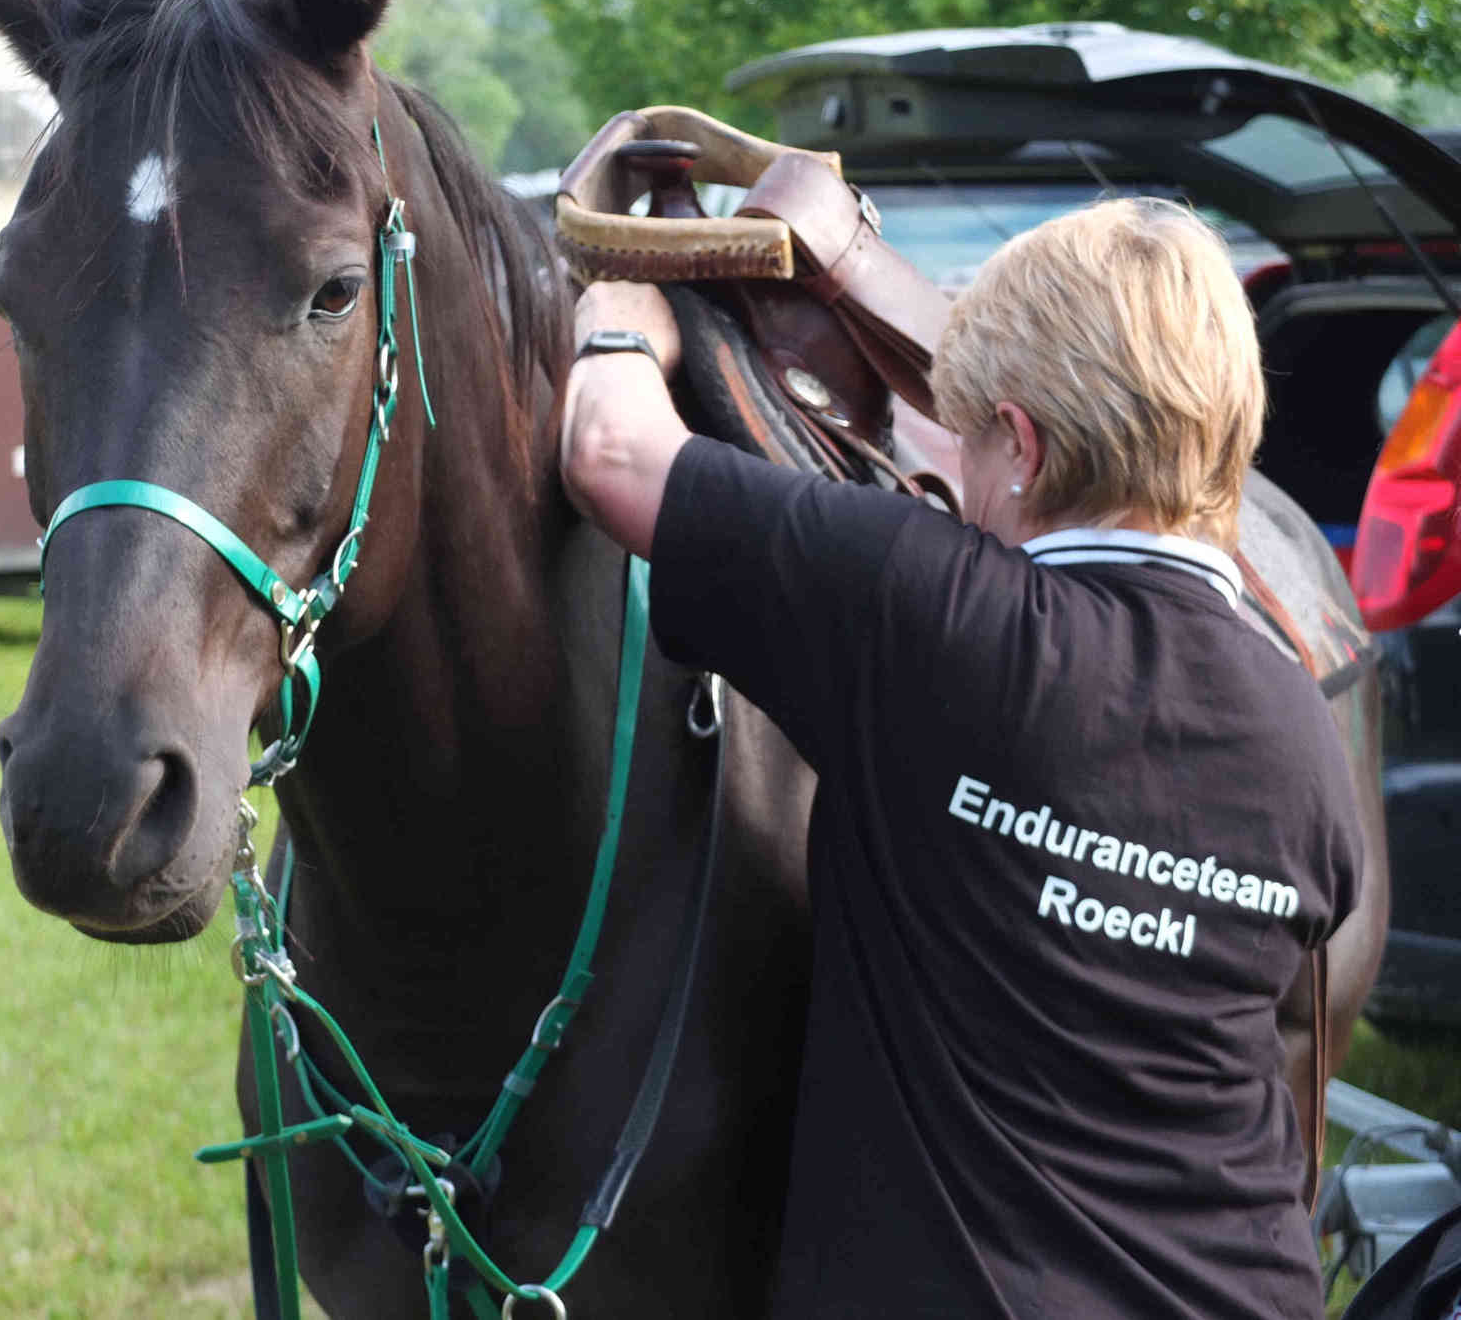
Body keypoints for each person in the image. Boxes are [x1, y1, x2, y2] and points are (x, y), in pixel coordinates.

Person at [559, 197, 1363, 1319]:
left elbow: (610, 451)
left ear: (1023, 446)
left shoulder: (929, 613)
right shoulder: (1299, 727)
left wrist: (618, 315)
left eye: (970, 442)